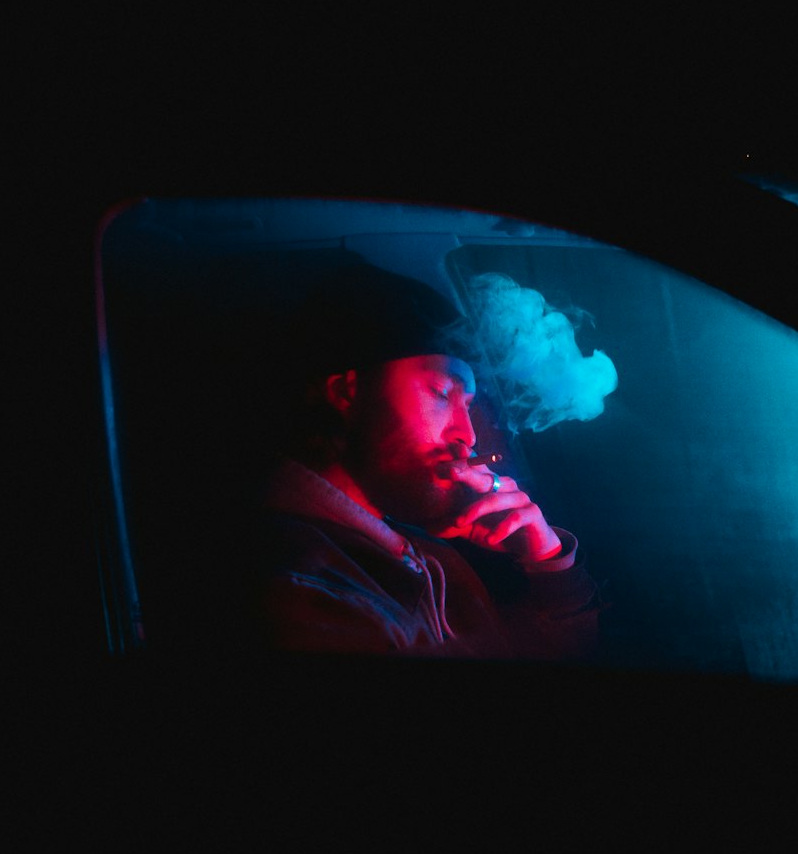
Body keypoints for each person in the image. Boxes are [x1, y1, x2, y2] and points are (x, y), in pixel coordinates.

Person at [251, 260, 605, 659]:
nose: (467, 435)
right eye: (441, 393)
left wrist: (547, 563)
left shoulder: (425, 555)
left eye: (468, 405)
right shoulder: (301, 587)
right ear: (347, 392)